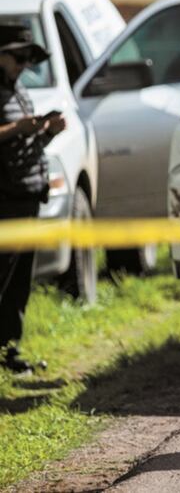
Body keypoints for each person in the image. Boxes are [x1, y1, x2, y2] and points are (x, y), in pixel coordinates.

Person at [0, 24, 66, 372]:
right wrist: (16, 129)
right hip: (5, 204)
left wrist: (46, 133)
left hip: (28, 198)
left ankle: (10, 351)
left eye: (29, 58)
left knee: (18, 284)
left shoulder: (20, 92)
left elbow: (27, 148)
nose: (24, 65)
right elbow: (12, 134)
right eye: (19, 57)